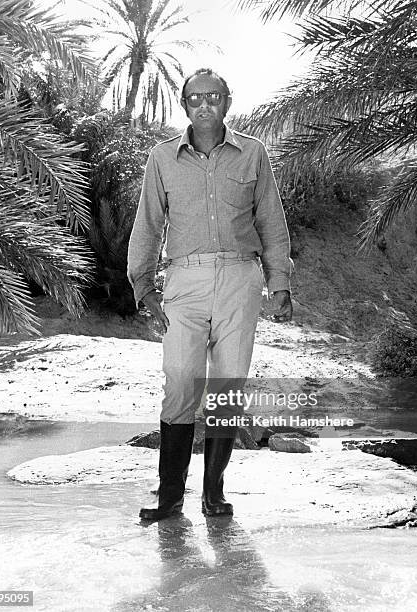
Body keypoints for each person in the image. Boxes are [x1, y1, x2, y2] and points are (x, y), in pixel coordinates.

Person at [127, 68, 293, 521]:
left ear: (227, 102)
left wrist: (280, 283)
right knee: (180, 380)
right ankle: (169, 498)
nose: (204, 105)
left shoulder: (252, 154)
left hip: (241, 279)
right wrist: (143, 284)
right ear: (184, 105)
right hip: (185, 280)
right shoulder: (162, 159)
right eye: (195, 98)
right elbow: (148, 224)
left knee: (226, 387)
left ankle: (213, 494)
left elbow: (272, 223)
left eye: (213, 97)